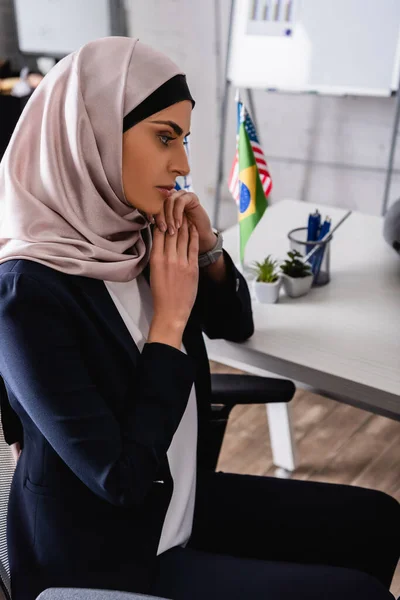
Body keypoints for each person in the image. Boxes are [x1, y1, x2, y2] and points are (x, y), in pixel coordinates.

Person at [0, 37, 398, 600]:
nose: (183, 164)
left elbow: (237, 324)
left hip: (176, 500)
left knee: (377, 520)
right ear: (91, 133)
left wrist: (208, 250)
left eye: (183, 140)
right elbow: (120, 480)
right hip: (110, 554)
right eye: (164, 138)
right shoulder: (26, 295)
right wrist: (166, 325)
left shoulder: (133, 235)